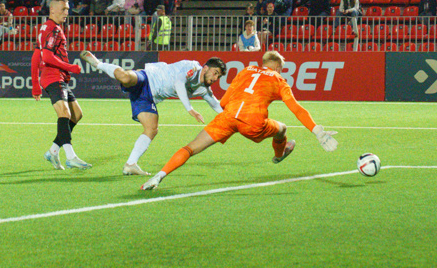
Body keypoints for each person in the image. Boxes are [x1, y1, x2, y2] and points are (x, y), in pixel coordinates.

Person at [141, 50, 339, 190]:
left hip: (227, 117)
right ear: (278, 67)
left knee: (190, 148)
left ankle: (158, 176)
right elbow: (296, 108)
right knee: (282, 128)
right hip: (253, 123)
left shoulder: (246, 70)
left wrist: (232, 117)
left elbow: (224, 101)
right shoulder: (278, 80)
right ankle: (279, 155)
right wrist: (317, 131)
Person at [80, 51, 227, 176]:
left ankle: (130, 164)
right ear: (205, 68)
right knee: (125, 77)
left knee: (151, 129)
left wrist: (232, 117)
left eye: (218, 76)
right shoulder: (193, 67)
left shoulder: (203, 89)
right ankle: (98, 64)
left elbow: (215, 104)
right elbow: (179, 83)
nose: (215, 78)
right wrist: (190, 109)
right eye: (215, 73)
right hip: (148, 78)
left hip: (149, 97)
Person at [30, 0, 91, 171]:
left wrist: (36, 85)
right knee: (64, 113)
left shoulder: (45, 28)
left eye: (67, 9)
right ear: (52, 10)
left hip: (57, 77)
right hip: (53, 76)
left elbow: (36, 57)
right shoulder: (53, 29)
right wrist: (70, 67)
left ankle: (53, 151)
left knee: (76, 114)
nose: (67, 12)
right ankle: (71, 157)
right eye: (63, 9)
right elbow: (48, 57)